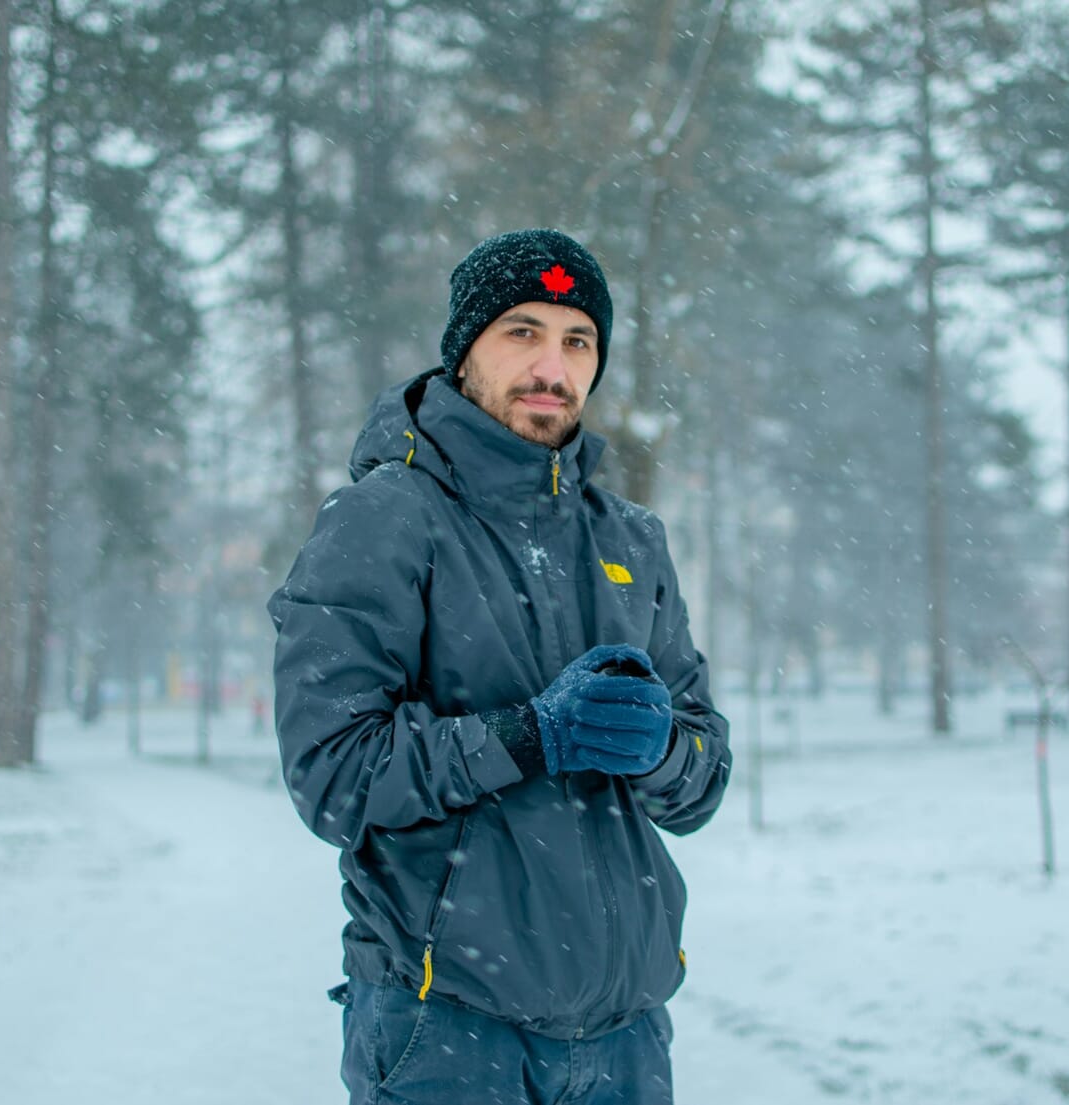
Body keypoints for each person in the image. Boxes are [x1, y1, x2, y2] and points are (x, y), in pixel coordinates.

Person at [268, 228, 732, 1104]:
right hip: (449, 1032)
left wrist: (664, 749)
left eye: (577, 339)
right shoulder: (384, 519)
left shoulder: (631, 538)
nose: (551, 366)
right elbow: (332, 777)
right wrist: (528, 736)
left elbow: (703, 780)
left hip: (626, 1038)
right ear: (464, 349)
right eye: (522, 331)